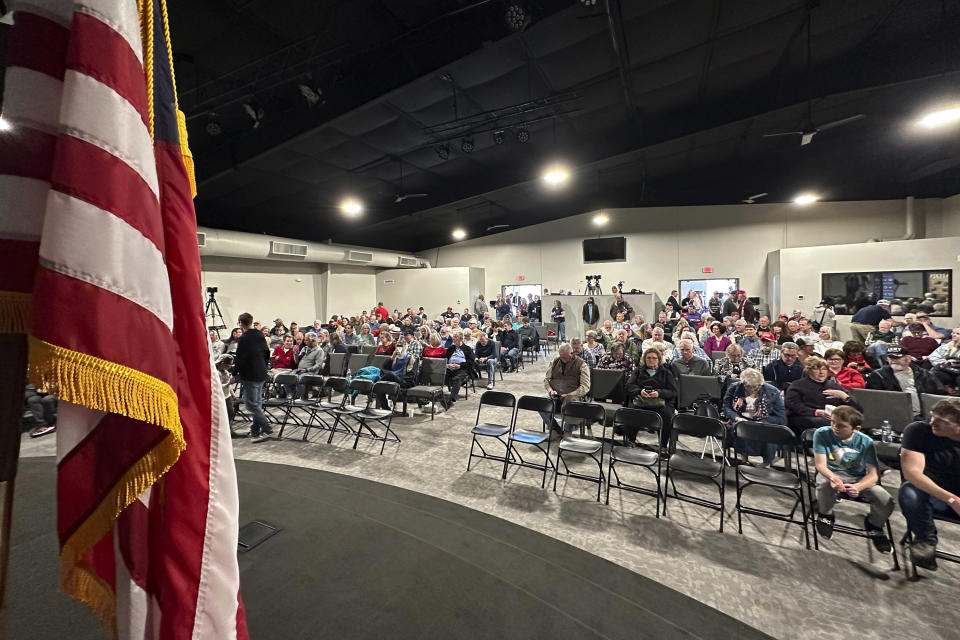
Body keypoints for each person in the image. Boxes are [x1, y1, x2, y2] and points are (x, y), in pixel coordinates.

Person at [812, 406, 893, 552]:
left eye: (841, 425)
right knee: (824, 485)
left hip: (857, 478)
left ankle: (874, 524)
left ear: (856, 428)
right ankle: (826, 514)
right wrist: (833, 477)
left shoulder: (866, 442)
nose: (835, 427)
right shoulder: (822, 433)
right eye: (833, 422)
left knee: (885, 499)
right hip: (831, 473)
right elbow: (820, 464)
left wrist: (858, 487)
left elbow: (873, 475)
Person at [898, 398, 960, 570]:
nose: (933, 422)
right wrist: (952, 499)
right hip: (932, 492)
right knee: (909, 491)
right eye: (932, 417)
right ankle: (925, 540)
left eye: (942, 421)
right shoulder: (918, 430)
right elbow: (912, 473)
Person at [784, 356, 862, 436]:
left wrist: (844, 396)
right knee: (827, 422)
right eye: (816, 369)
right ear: (809, 371)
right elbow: (793, 405)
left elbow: (857, 410)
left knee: (851, 421)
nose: (821, 372)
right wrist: (816, 412)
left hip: (832, 417)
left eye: (824, 369)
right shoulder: (797, 385)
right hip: (806, 417)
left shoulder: (834, 386)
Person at [723, 368, 785, 467]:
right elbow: (726, 408)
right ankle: (744, 460)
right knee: (741, 428)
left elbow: (781, 417)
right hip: (741, 420)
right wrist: (736, 418)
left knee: (766, 431)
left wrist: (763, 422)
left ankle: (766, 463)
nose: (753, 389)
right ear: (743, 383)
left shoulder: (773, 392)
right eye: (749, 387)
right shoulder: (734, 388)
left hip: (765, 421)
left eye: (757, 386)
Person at [865, 346, 947, 418]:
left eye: (897, 358)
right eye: (891, 358)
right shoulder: (878, 375)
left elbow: (940, 394)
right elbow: (872, 401)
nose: (894, 361)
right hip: (895, 417)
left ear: (908, 358)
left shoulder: (924, 374)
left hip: (924, 416)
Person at [625, 349, 677, 449]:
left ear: (659, 359)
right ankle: (630, 442)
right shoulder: (638, 371)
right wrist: (640, 391)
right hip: (641, 401)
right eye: (648, 358)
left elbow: (673, 391)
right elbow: (629, 386)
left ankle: (663, 446)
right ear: (644, 359)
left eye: (654, 358)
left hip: (660, 403)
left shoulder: (666, 373)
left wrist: (658, 393)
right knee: (630, 412)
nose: (651, 360)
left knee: (666, 415)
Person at [234, 312, 271, 440]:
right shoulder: (260, 334)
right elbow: (267, 352)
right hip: (261, 373)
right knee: (257, 404)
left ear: (240, 323)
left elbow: (240, 358)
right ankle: (255, 430)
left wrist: (234, 373)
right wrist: (264, 366)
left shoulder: (243, 338)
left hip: (250, 374)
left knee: (250, 405)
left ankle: (266, 426)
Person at [541, 343, 591, 435]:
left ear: (571, 353)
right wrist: (550, 391)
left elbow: (585, 387)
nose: (563, 360)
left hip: (573, 395)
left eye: (566, 357)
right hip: (556, 394)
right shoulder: (555, 362)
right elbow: (546, 379)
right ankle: (555, 429)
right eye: (561, 357)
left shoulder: (581, 364)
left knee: (570, 402)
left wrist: (570, 394)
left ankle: (568, 430)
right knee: (540, 401)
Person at [443, 331, 476, 403]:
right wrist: (447, 365)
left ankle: (451, 399)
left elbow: (471, 362)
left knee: (457, 378)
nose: (453, 339)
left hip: (462, 369)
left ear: (461, 339)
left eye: (455, 337)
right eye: (453, 337)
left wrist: (460, 366)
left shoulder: (467, 349)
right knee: (438, 374)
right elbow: (444, 359)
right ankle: (435, 395)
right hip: (449, 368)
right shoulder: (451, 348)